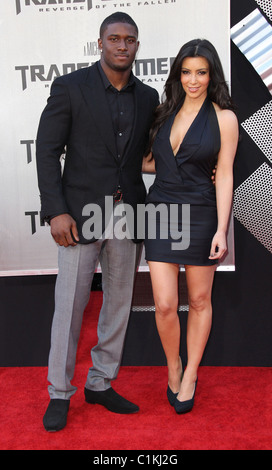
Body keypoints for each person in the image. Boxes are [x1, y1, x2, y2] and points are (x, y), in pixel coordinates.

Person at [36, 12, 159, 431]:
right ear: (101, 42)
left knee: (118, 304)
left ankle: (100, 382)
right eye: (114, 38)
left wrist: (201, 168)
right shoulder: (71, 87)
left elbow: (145, 157)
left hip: (128, 216)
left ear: (137, 46)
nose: (122, 45)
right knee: (69, 307)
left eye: (129, 40)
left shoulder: (148, 97)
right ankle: (59, 392)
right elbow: (47, 150)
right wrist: (55, 210)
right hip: (79, 217)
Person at [142, 39, 239, 414]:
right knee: (165, 305)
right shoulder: (163, 112)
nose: (193, 80)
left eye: (201, 72)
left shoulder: (224, 118)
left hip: (201, 214)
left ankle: (192, 373)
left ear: (211, 73)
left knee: (199, 301)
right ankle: (174, 364)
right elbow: (151, 161)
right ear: (177, 74)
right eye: (186, 72)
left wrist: (221, 229)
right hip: (161, 213)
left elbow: (225, 173)